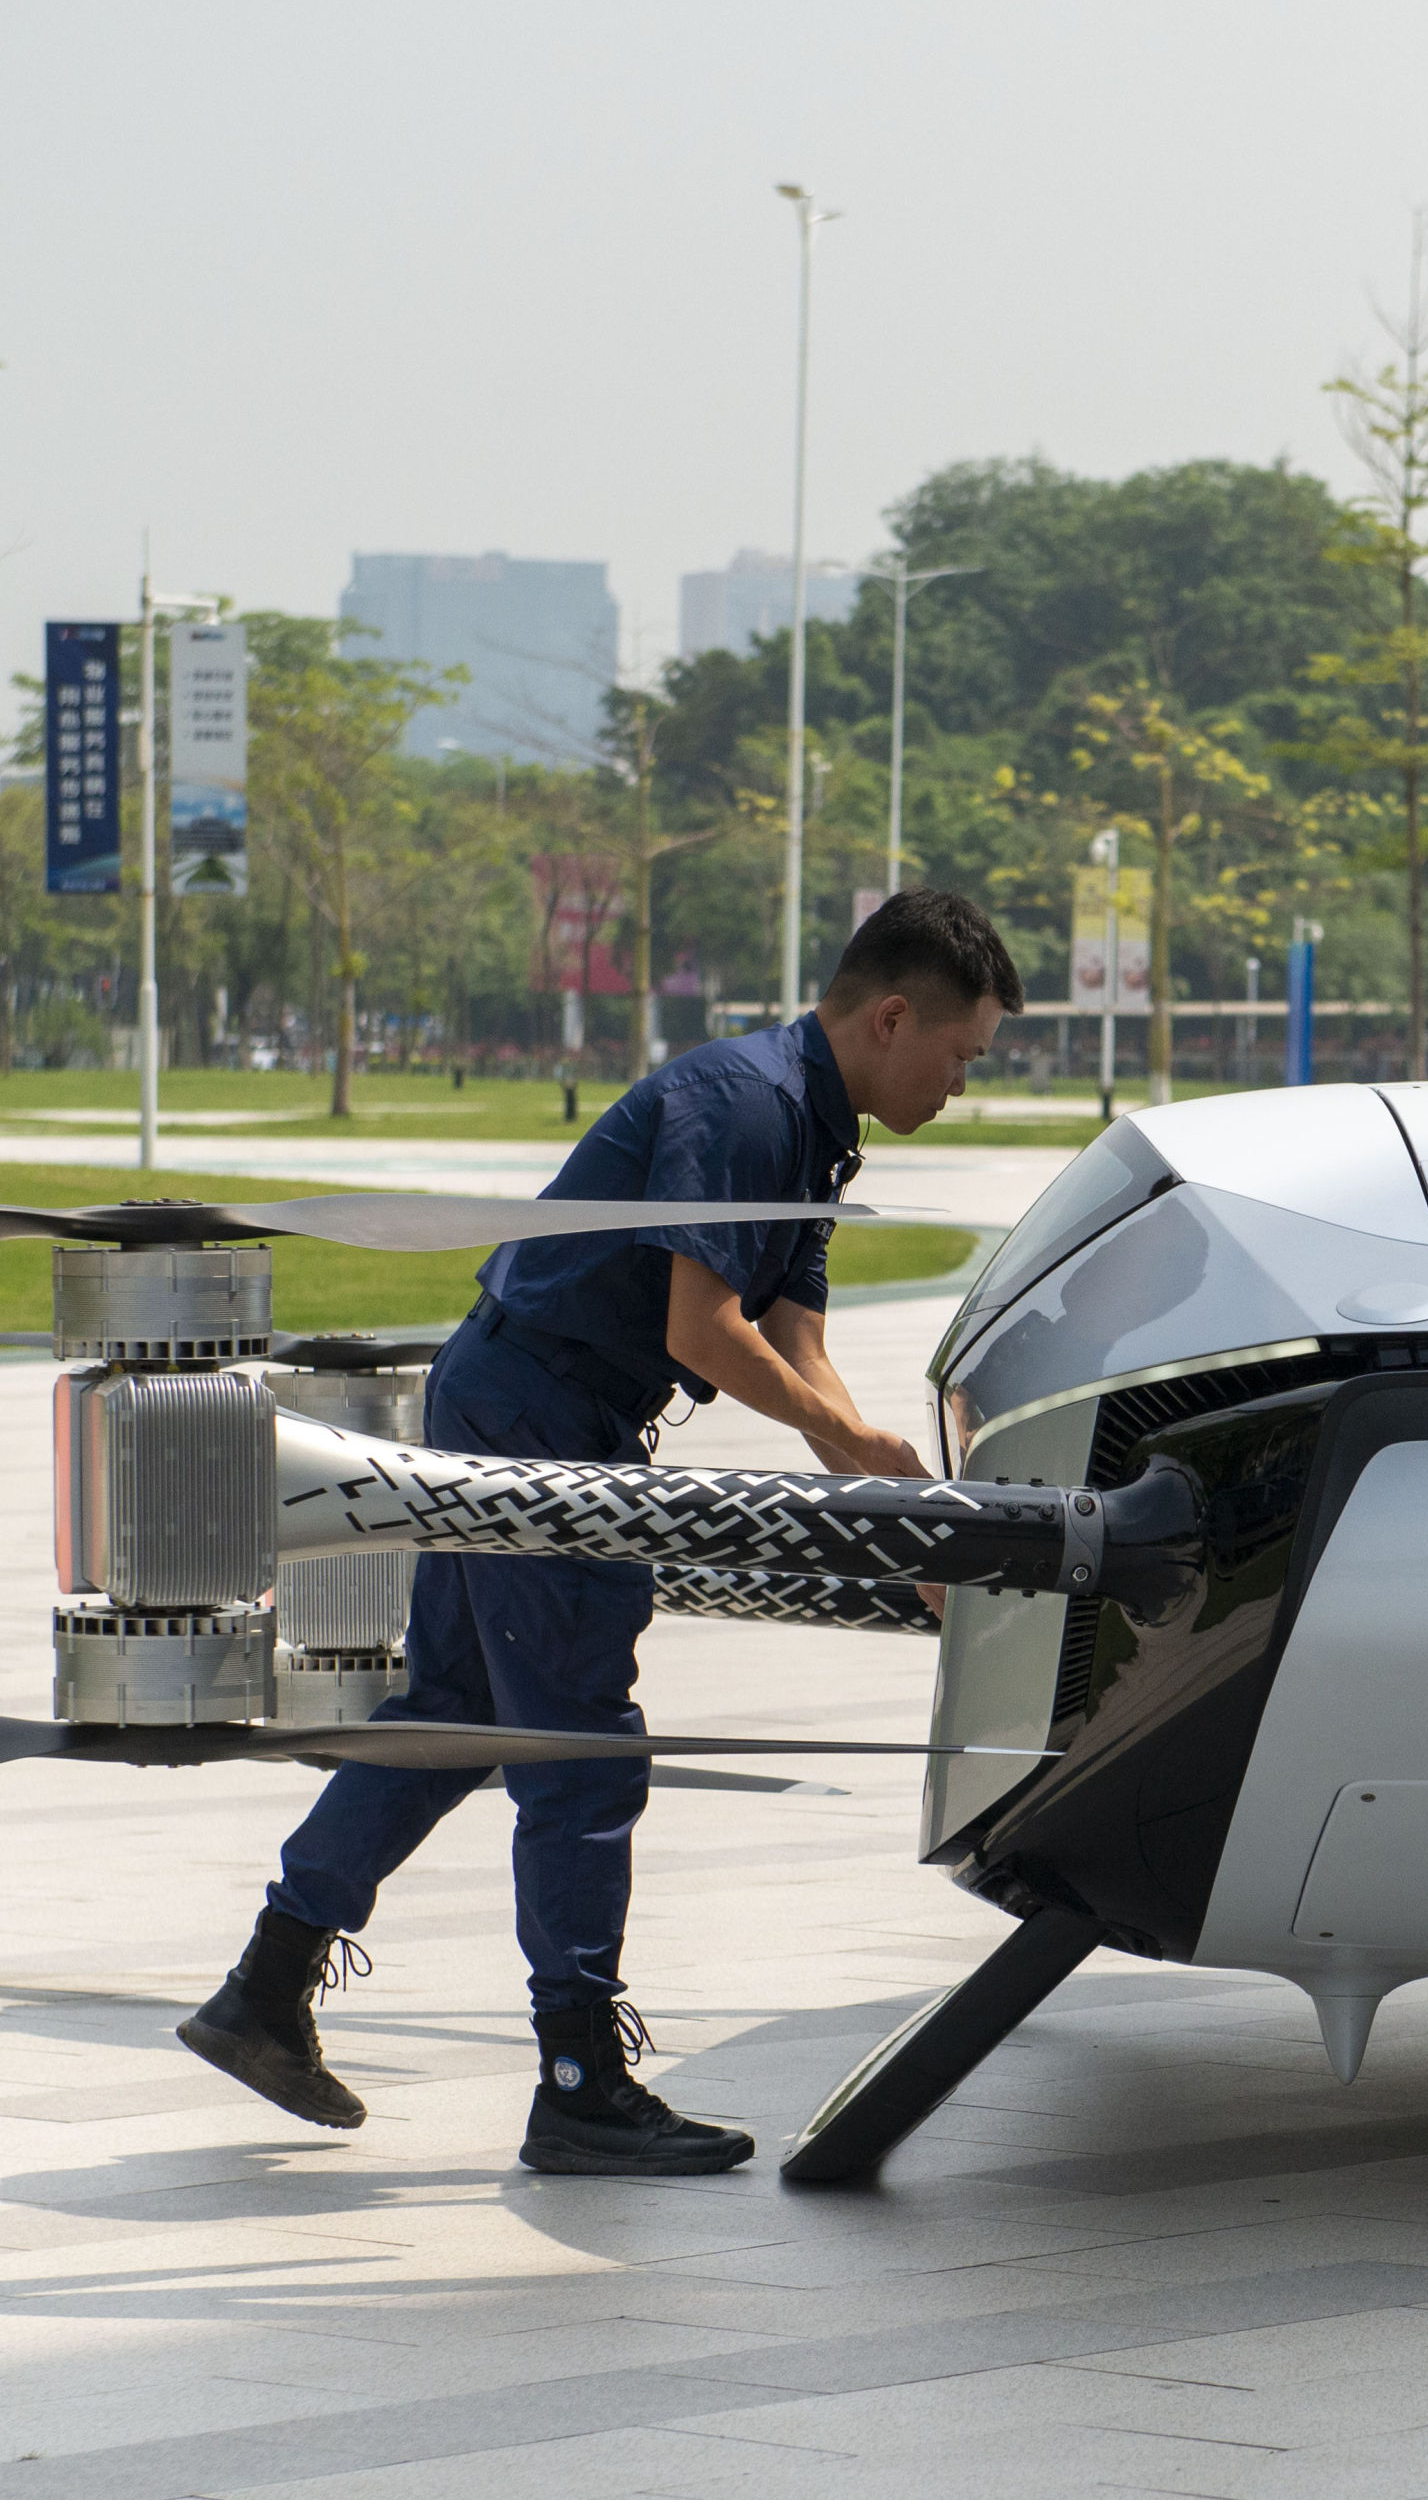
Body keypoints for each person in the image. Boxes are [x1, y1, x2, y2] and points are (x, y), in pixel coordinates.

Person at [179, 888, 1022, 2174]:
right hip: (537, 1414)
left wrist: (887, 1515)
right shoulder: (744, 1104)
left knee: (461, 1718)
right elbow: (702, 1335)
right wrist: (862, 1460)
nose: (963, 1084)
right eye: (962, 1056)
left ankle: (266, 1985)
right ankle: (578, 2079)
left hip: (526, 1396)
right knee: (580, 1749)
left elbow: (795, 1338)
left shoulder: (813, 1133)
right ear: (893, 1016)